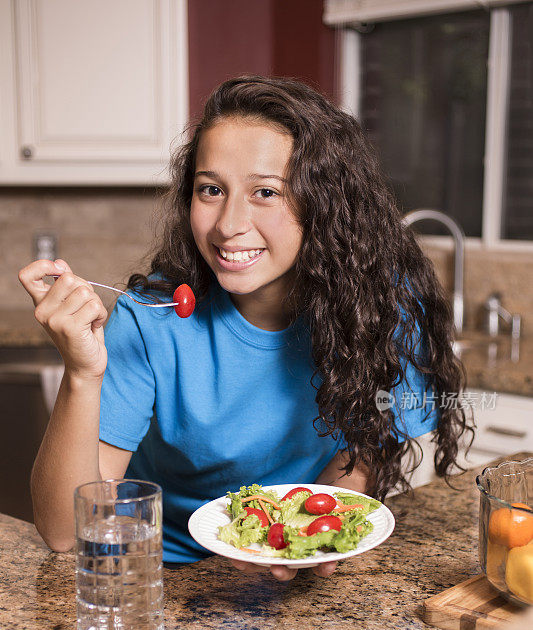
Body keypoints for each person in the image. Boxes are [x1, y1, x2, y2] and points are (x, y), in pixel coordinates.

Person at [19, 75, 472, 581]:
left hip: (287, 573)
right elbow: (65, 531)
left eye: (265, 192)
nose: (229, 224)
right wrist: (82, 373)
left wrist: (299, 538)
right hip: (166, 577)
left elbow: (365, 444)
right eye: (211, 189)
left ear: (324, 204)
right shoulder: (152, 318)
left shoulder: (382, 305)